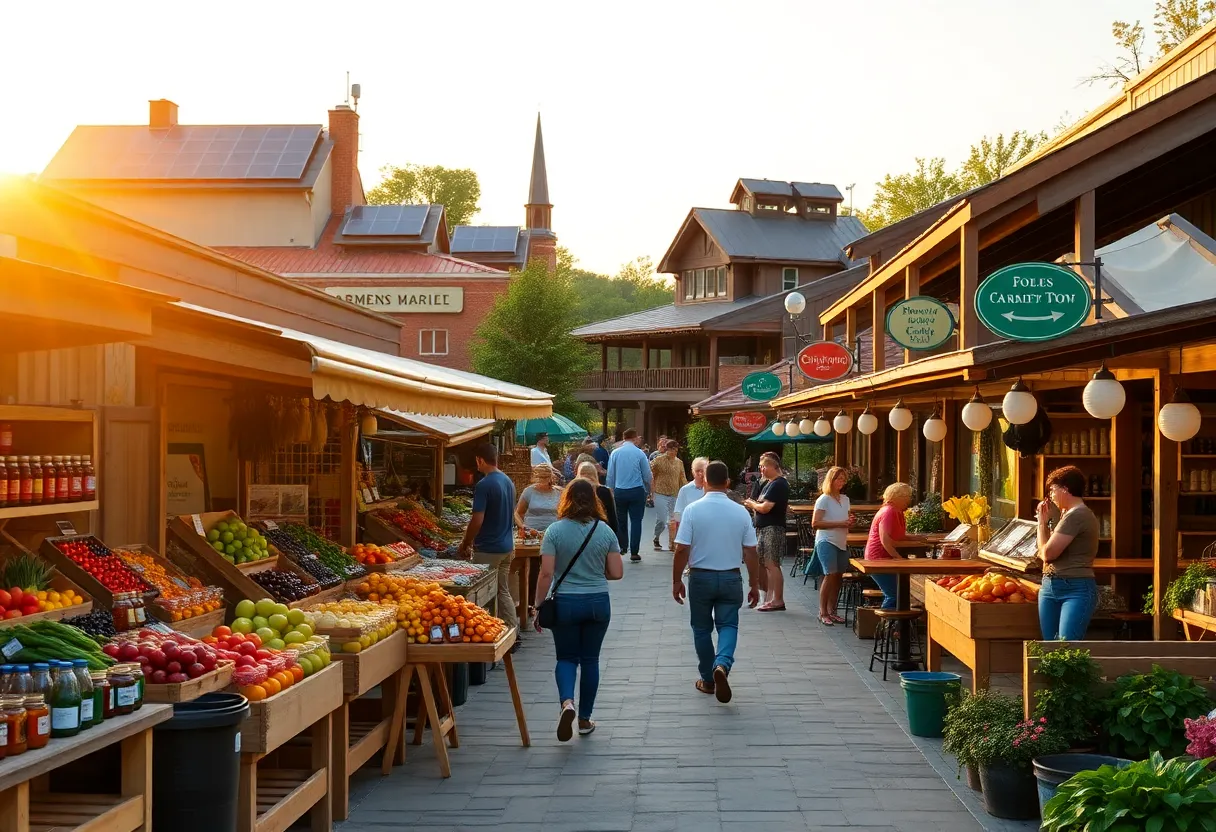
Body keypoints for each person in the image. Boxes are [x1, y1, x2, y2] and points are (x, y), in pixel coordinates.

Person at [534, 479, 624, 740]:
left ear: (566, 499)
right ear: (594, 500)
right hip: (597, 602)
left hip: (566, 604)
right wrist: (596, 571)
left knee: (566, 658)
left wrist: (538, 605)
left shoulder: (554, 531)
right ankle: (584, 719)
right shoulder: (605, 531)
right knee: (590, 660)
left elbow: (546, 573)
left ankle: (567, 703)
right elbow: (617, 573)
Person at [672, 461, 760, 703]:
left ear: (705, 481)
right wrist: (754, 583)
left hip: (700, 577)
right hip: (731, 576)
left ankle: (708, 679)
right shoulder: (741, 511)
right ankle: (721, 664)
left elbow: (681, 549)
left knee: (701, 629)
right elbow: (751, 551)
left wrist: (676, 580)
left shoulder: (692, 510)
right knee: (728, 625)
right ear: (728, 483)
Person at [458, 443, 519, 641]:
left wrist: (466, 542)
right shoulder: (507, 480)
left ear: (480, 460)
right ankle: (511, 631)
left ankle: (484, 635)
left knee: (480, 594)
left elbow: (477, 519)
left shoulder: (484, 485)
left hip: (488, 549)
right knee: (502, 590)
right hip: (507, 546)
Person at [1037, 465, 1099, 641]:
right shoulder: (1067, 515)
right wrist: (1044, 524)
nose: (1051, 496)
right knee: (1050, 647)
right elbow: (1045, 549)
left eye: (1053, 490)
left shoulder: (1077, 515)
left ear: (1065, 489)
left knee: (1066, 648)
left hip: (1075, 586)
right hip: (1050, 585)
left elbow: (1048, 553)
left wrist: (1041, 524)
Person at [864, 482, 926, 610]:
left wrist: (917, 538)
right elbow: (885, 540)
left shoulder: (896, 511)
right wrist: (899, 559)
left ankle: (894, 627)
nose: (909, 500)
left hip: (885, 558)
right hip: (878, 560)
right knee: (894, 594)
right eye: (907, 497)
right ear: (898, 497)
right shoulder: (889, 511)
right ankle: (886, 626)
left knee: (899, 592)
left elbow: (898, 536)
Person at [743, 451, 789, 612]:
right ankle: (770, 598)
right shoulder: (768, 483)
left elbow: (765, 507)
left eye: (762, 466)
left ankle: (778, 600)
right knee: (767, 564)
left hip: (773, 528)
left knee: (772, 564)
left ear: (771, 466)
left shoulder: (778, 484)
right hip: (763, 528)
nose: (761, 470)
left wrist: (751, 504)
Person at [812, 466, 852, 626]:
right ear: (831, 480)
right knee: (829, 574)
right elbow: (815, 523)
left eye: (843, 479)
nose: (841, 482)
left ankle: (833, 610)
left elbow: (845, 520)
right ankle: (823, 612)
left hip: (841, 541)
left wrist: (849, 523)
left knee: (838, 576)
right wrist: (840, 523)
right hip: (826, 540)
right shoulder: (824, 499)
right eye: (838, 479)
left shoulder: (845, 499)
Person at [606, 428, 653, 563]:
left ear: (623, 437)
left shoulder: (615, 453)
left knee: (621, 520)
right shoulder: (639, 454)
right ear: (635, 438)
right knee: (636, 521)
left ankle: (622, 546)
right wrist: (649, 490)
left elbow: (610, 475)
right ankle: (634, 551)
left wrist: (611, 489)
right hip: (637, 490)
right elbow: (647, 474)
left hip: (620, 490)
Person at [650, 439, 687, 552]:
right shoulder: (658, 460)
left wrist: (686, 489)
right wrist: (651, 490)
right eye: (672, 450)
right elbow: (650, 473)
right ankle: (656, 536)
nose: (674, 452)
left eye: (675, 450)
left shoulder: (679, 462)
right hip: (660, 492)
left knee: (673, 520)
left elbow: (682, 478)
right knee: (661, 519)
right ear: (667, 449)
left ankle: (672, 544)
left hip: (674, 494)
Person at [515, 464, 563, 534]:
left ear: (551, 477)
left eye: (546, 477)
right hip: (531, 532)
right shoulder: (529, 491)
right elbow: (518, 513)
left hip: (553, 532)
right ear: (535, 477)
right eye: (541, 477)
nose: (543, 479)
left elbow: (565, 515)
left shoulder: (559, 492)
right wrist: (522, 526)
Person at [672, 457, 708, 544]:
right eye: (697, 470)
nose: (700, 473)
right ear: (692, 472)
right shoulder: (685, 490)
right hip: (690, 530)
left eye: (703, 470)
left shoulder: (712, 489)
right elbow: (678, 512)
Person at [577, 461, 618, 533]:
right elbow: (611, 515)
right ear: (595, 474)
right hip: (601, 530)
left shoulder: (575, 490)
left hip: (580, 530)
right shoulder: (604, 491)